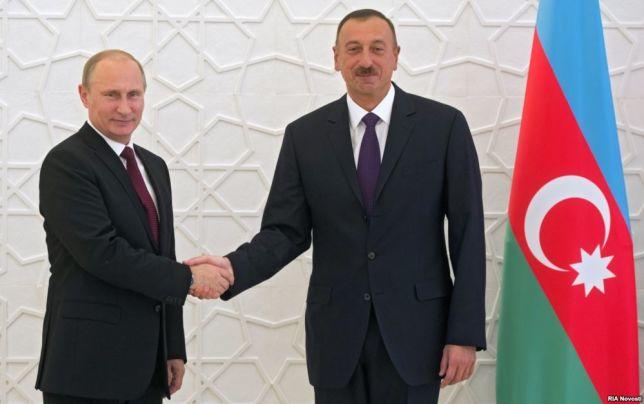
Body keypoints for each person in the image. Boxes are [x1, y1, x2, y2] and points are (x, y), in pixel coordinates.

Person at [187, 8, 486, 404]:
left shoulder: (444, 127)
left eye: (377, 49)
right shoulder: (304, 136)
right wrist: (233, 268)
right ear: (336, 58)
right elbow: (285, 233)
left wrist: (463, 334)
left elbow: (468, 234)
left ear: (396, 55)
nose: (366, 60)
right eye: (354, 49)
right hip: (336, 337)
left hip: (418, 335)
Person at [35, 49, 233, 403]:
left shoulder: (153, 166)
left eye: (134, 95)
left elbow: (163, 253)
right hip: (86, 369)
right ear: (84, 95)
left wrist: (172, 346)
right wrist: (189, 278)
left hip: (147, 368)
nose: (125, 108)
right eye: (111, 95)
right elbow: (103, 253)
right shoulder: (67, 163)